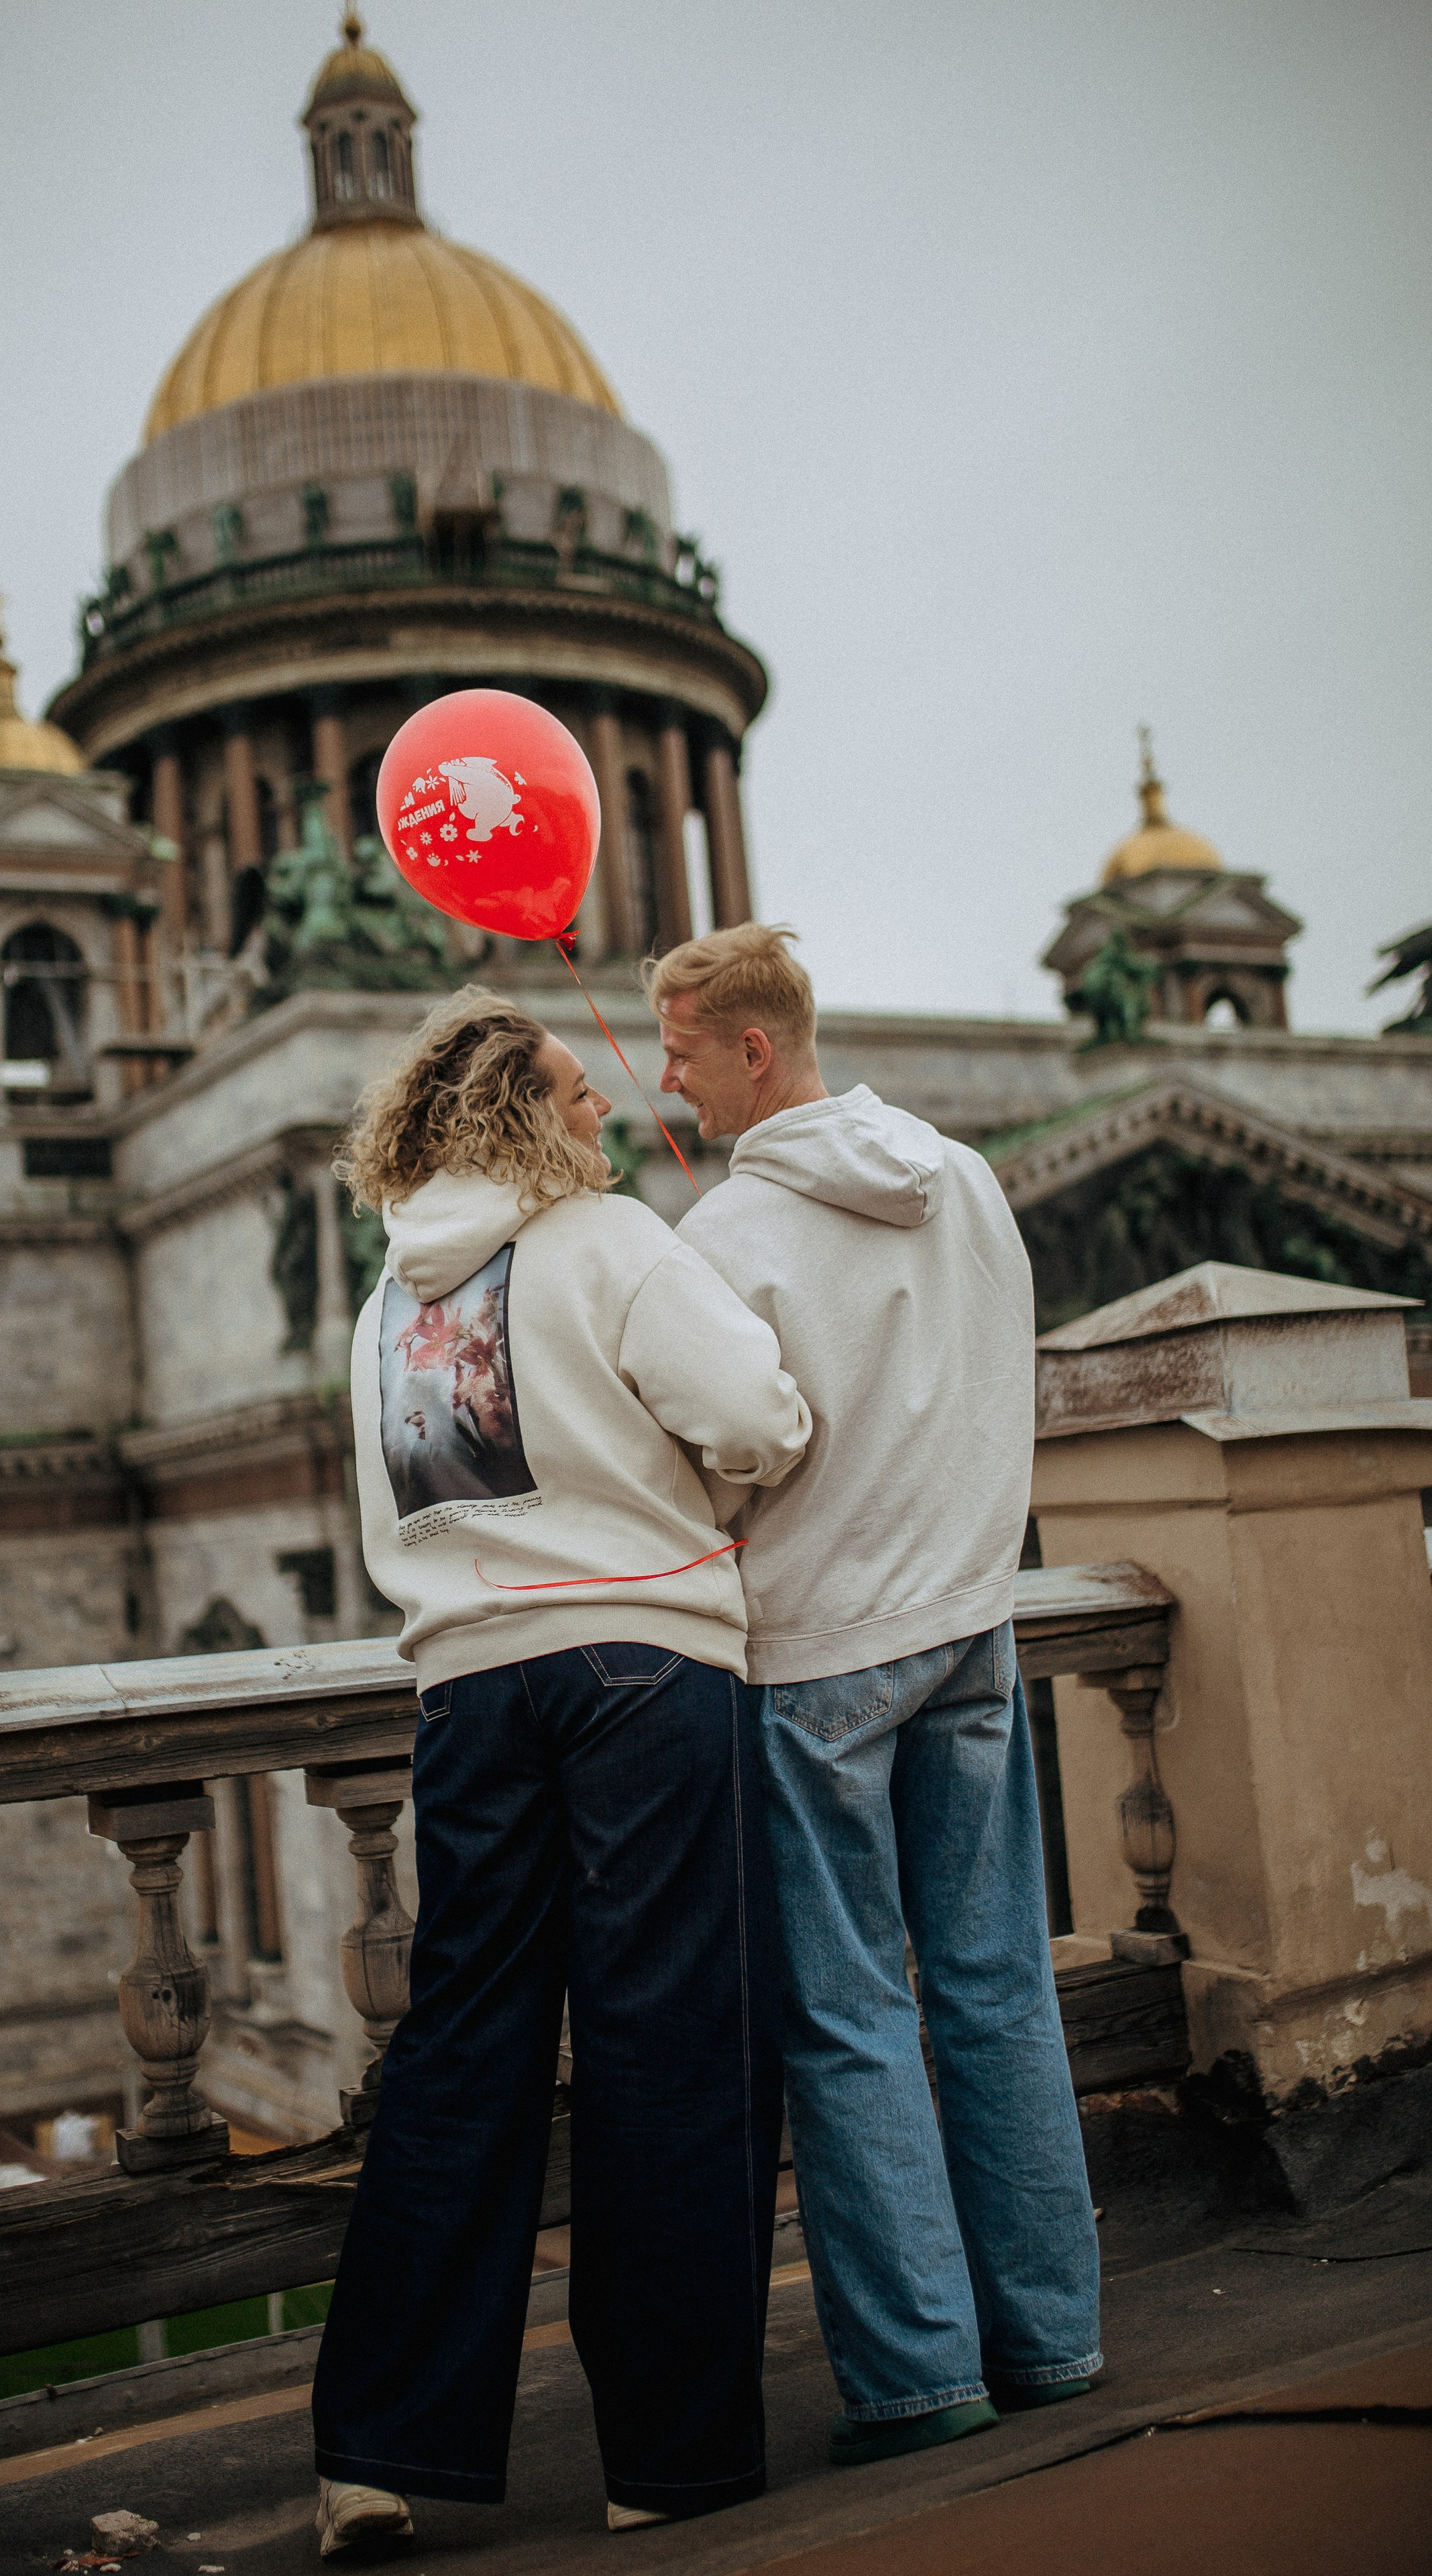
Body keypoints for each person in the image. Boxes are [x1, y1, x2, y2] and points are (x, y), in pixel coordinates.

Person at [309, 985, 811, 2554]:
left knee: (461, 2048)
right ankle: (667, 2455)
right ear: (520, 1117)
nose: (605, 1106)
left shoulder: (381, 1308)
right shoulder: (605, 1242)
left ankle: (375, 2450)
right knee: (669, 2044)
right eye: (575, 1090)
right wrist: (726, 1472)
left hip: (466, 1686)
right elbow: (755, 1413)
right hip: (640, 1666)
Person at [649, 923, 1101, 2469]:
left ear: (752, 1049)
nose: (667, 1081)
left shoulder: (723, 1232)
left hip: (817, 1656)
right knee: (995, 1980)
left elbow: (720, 1459)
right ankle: (1048, 2336)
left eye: (682, 1053)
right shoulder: (961, 1177)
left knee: (847, 2014)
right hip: (970, 1627)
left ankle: (917, 2376)